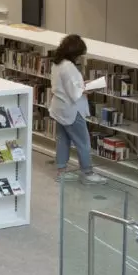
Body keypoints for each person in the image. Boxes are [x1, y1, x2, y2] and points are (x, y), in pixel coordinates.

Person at [49, 34, 107, 185]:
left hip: (59, 108)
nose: (81, 58)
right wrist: (88, 88)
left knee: (63, 140)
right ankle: (87, 173)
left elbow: (69, 85)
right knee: (83, 141)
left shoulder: (57, 63)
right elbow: (75, 92)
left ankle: (61, 172)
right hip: (72, 110)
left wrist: (82, 83)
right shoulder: (69, 67)